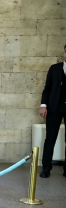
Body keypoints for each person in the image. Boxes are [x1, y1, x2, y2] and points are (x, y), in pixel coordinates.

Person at [38, 44, 66, 178]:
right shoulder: (54, 68)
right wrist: (43, 105)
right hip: (54, 107)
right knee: (50, 139)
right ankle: (46, 168)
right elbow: (47, 88)